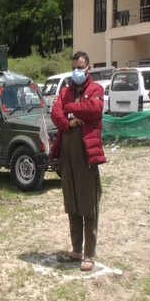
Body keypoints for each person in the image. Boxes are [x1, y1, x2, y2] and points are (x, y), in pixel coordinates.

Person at [51, 51, 106, 272]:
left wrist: (70, 109)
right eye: (74, 67)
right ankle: (76, 250)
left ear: (88, 68)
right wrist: (69, 122)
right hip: (68, 158)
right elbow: (56, 113)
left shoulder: (96, 90)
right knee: (72, 203)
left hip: (87, 157)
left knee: (89, 205)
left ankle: (89, 254)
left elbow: (94, 109)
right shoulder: (65, 91)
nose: (77, 71)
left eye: (80, 67)